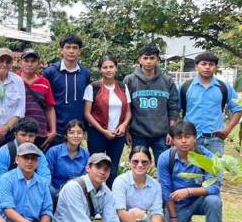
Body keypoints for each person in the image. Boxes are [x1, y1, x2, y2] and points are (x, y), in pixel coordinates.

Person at [52, 153, 139, 222]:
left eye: (106, 169)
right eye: (98, 167)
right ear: (88, 168)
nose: (102, 172)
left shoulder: (106, 191)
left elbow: (112, 221)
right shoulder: (73, 187)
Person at [158, 121, 225, 222]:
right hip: (177, 204)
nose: (183, 141)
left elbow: (214, 187)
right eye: (179, 137)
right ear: (172, 140)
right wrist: (174, 217)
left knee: (214, 200)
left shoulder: (207, 157)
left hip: (200, 200)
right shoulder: (165, 158)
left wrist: (188, 191)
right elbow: (166, 190)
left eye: (187, 137)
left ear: (195, 138)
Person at [0, 143, 75, 222]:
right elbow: (8, 211)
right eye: (26, 157)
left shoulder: (42, 183)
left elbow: (47, 211)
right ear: (17, 159)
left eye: (33, 158)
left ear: (37, 162)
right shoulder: (6, 179)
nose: (30, 161)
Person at [113, 146, 188, 222]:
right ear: (129, 162)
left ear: (150, 163)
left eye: (144, 162)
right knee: (135, 213)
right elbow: (121, 212)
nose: (140, 165)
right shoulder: (121, 181)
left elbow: (157, 212)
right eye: (135, 162)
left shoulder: (155, 185)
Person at [123, 44, 179, 162]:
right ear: (140, 59)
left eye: (152, 58)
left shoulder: (167, 81)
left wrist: (172, 132)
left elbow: (173, 109)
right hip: (138, 134)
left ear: (158, 59)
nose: (148, 61)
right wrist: (127, 131)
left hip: (162, 135)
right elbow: (125, 109)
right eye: (145, 58)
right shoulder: (130, 80)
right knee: (139, 167)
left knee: (165, 166)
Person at [180, 51, 242, 156]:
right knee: (190, 171)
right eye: (203, 64)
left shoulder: (223, 87)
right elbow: (174, 111)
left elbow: (238, 109)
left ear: (215, 67)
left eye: (211, 64)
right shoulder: (185, 87)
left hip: (215, 140)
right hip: (189, 139)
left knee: (215, 171)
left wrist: (227, 130)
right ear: (196, 66)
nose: (207, 67)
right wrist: (180, 134)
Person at [83, 55, 132, 186]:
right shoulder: (93, 88)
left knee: (113, 168)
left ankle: (110, 197)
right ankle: (93, 196)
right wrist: (103, 131)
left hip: (118, 134)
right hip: (97, 133)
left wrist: (124, 125)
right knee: (96, 166)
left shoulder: (123, 87)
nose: (108, 70)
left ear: (116, 68)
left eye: (111, 66)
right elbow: (87, 113)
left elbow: (128, 111)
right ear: (100, 69)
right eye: (105, 67)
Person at [43, 34, 91, 144]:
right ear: (61, 50)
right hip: (56, 129)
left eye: (75, 48)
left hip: (77, 129)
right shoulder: (50, 72)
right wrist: (50, 127)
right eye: (68, 47)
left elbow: (86, 102)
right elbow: (45, 101)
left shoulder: (85, 73)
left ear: (79, 51)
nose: (71, 51)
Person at [0, 117, 52, 190]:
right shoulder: (3, 152)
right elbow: (1, 180)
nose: (27, 139)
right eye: (23, 135)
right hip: (9, 189)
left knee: (51, 190)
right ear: (15, 134)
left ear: (36, 136)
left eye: (31, 136)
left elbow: (45, 178)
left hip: (33, 188)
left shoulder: (39, 154)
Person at [18, 49, 57, 150]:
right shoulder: (14, 79)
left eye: (33, 61)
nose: (29, 64)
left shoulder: (44, 82)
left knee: (36, 161)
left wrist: (53, 131)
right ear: (20, 63)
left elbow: (49, 107)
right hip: (19, 130)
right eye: (26, 61)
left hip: (39, 131)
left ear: (39, 64)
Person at [45, 119, 89, 199]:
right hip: (56, 192)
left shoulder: (85, 154)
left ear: (83, 135)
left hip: (77, 192)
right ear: (65, 135)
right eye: (71, 133)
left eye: (79, 133)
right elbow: (47, 176)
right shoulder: (54, 152)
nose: (76, 136)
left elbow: (85, 177)